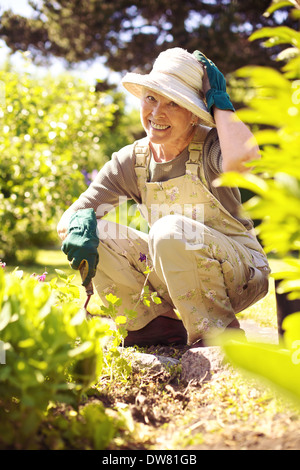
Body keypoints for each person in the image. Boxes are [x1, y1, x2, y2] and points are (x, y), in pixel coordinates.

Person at [57, 47, 270, 347]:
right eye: (152, 98)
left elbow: (244, 161)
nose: (157, 113)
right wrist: (76, 228)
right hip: (176, 279)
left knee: (169, 230)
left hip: (239, 274)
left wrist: (220, 103)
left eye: (174, 103)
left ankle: (217, 337)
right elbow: (72, 216)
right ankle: (152, 326)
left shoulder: (210, 147)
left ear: (194, 115)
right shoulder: (132, 161)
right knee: (96, 228)